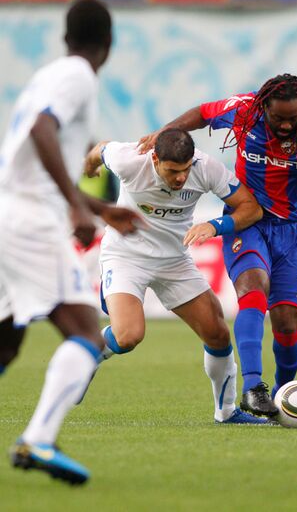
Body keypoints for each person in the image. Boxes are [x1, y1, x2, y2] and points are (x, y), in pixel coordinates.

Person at [138, 73, 297, 417]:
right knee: (253, 286)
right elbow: (203, 113)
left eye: (292, 118)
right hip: (246, 221)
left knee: (287, 323)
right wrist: (167, 132)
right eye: (278, 117)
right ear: (263, 106)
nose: (285, 125)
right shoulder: (244, 110)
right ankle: (253, 388)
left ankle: (282, 397)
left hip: (291, 232)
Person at [0, 0, 142, 485]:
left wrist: (100, 209)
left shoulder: (48, 75)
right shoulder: (79, 75)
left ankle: (38, 437)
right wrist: (77, 206)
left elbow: (37, 147)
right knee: (85, 331)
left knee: (5, 342)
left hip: (9, 211)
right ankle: (38, 439)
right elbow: (43, 130)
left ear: (65, 35)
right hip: (30, 221)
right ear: (108, 45)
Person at [83, 127, 271, 426]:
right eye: (173, 171)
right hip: (126, 256)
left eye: (185, 170)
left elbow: (251, 209)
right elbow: (101, 148)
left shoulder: (206, 167)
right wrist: (90, 164)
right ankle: (89, 352)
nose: (181, 178)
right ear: (155, 158)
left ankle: (226, 412)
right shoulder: (129, 159)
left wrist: (216, 225)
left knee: (218, 333)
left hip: (175, 261)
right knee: (129, 336)